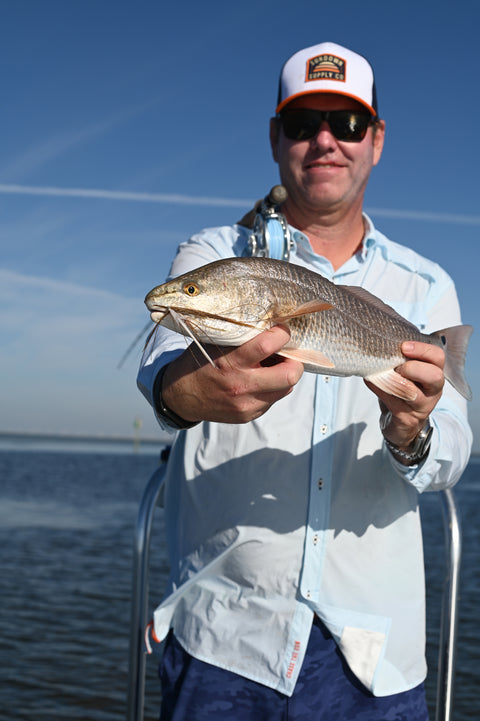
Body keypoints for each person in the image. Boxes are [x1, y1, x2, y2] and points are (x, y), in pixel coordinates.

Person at [137, 42, 472, 721]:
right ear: (275, 138)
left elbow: (454, 452)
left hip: (373, 658)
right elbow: (161, 374)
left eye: (347, 123)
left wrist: (412, 430)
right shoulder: (213, 254)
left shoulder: (427, 286)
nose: (325, 140)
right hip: (223, 639)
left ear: (375, 141)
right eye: (302, 122)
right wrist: (185, 391)